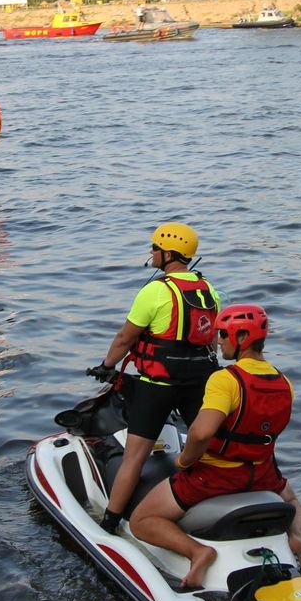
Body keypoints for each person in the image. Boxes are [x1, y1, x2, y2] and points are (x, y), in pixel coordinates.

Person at [129, 304, 301, 588]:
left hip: (215, 478)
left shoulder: (225, 380)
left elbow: (201, 433)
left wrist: (184, 462)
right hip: (262, 475)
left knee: (141, 520)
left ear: (241, 337)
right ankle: (297, 538)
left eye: (223, 334)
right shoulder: (284, 382)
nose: (218, 341)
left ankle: (198, 552)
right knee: (291, 500)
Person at [87, 222, 220, 534]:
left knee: (134, 458)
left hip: (157, 386)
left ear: (169, 254)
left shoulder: (156, 291)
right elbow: (211, 342)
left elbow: (125, 338)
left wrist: (106, 366)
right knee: (209, 449)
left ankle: (109, 523)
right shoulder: (208, 291)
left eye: (155, 248)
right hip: (199, 385)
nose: (151, 252)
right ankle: (212, 509)